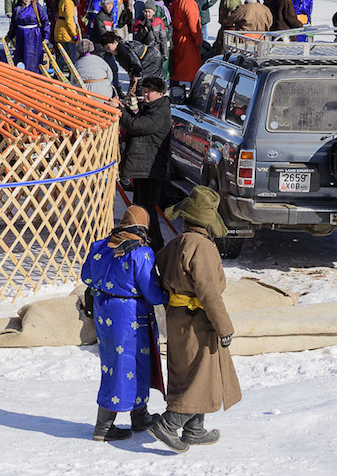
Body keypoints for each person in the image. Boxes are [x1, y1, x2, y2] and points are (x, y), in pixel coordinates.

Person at [150, 187, 240, 453]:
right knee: (200, 373)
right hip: (198, 321)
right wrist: (224, 327)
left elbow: (160, 272)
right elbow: (208, 292)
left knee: (190, 372)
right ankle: (169, 424)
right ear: (208, 223)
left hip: (178, 318)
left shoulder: (175, 244)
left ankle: (194, 429)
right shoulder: (201, 246)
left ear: (186, 218)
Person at [80, 203, 168, 442]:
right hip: (129, 316)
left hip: (104, 311)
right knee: (126, 366)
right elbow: (152, 293)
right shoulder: (140, 252)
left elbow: (86, 276)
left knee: (116, 363)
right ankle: (104, 427)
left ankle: (139, 416)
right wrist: (170, 296)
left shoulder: (101, 246)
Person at [118, 76, 171, 251]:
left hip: (151, 169)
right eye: (144, 91)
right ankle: (146, 242)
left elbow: (136, 126)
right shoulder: (151, 108)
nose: (145, 95)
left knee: (146, 209)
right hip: (144, 167)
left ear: (160, 94)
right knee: (141, 206)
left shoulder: (159, 112)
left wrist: (120, 111)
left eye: (149, 92)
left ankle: (156, 246)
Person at [8, 0, 49, 73]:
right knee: (20, 57)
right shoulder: (17, 8)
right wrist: (9, 36)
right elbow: (13, 24)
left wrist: (46, 36)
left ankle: (33, 76)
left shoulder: (36, 7)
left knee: (32, 58)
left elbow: (45, 20)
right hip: (21, 35)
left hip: (33, 36)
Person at [169, 0, 202, 87]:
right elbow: (194, 24)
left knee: (178, 63)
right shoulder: (189, 3)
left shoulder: (177, 1)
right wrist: (198, 39)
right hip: (188, 39)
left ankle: (175, 86)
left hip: (177, 36)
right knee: (190, 66)